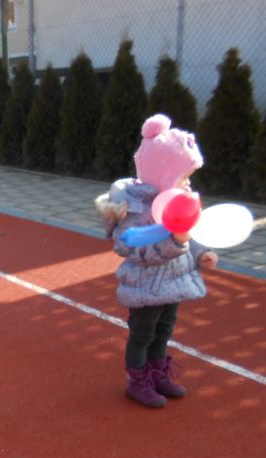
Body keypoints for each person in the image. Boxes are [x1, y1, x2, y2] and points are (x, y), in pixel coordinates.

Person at [95, 114, 217, 408]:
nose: (187, 183)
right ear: (163, 172)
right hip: (145, 285)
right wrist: (176, 242)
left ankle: (157, 372)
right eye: (183, 176)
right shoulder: (134, 206)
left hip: (172, 282)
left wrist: (201, 253)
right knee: (143, 332)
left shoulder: (179, 199)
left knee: (165, 329)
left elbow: (190, 233)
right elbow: (134, 249)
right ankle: (138, 381)